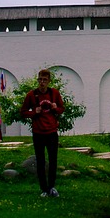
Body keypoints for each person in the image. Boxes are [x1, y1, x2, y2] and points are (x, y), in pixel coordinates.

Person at [20, 69, 65, 197]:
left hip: (51, 131)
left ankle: (52, 187)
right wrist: (34, 112)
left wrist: (56, 108)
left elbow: (62, 109)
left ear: (49, 81)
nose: (42, 82)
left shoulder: (54, 93)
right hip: (38, 131)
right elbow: (23, 112)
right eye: (40, 79)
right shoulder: (32, 95)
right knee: (40, 160)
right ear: (38, 80)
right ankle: (44, 189)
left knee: (53, 160)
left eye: (45, 80)